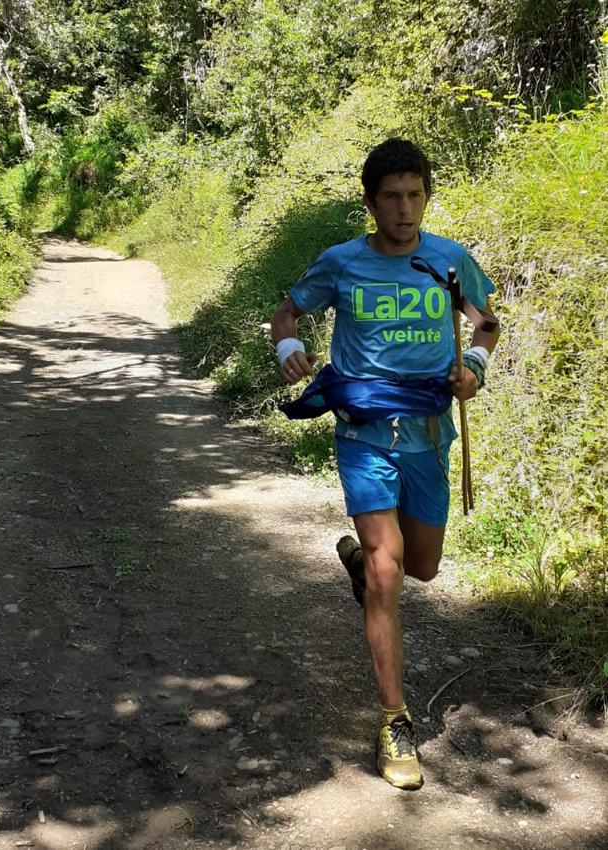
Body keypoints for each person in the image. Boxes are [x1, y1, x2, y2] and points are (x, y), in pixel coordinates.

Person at [270, 138, 500, 790]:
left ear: (426, 195)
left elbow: (485, 321)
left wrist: (474, 366)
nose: (404, 208)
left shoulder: (449, 262)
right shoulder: (341, 264)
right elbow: (287, 308)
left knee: (420, 567)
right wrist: (288, 343)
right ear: (369, 202)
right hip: (364, 434)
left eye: (414, 194)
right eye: (391, 197)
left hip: (430, 436)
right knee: (387, 567)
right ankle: (394, 721)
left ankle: (359, 568)